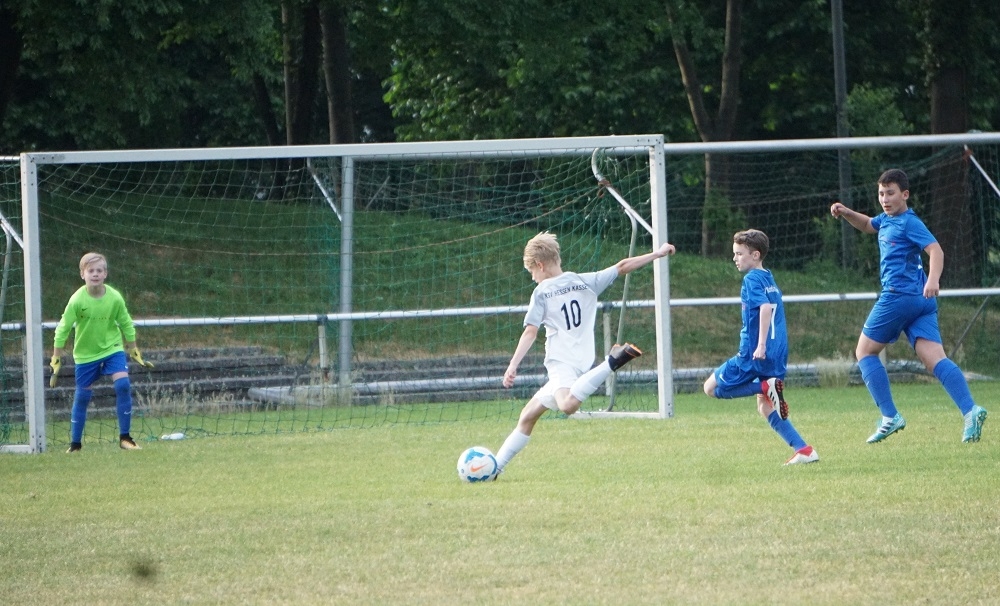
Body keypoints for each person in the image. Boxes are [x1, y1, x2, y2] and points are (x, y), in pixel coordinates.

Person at [494, 232, 675, 474]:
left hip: (561, 363)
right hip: (582, 361)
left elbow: (530, 332)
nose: (533, 278)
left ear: (540, 265)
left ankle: (612, 361)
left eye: (532, 272)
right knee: (527, 415)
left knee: (567, 405)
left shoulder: (542, 292)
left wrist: (513, 365)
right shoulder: (585, 281)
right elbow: (622, 267)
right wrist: (657, 253)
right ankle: (494, 469)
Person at [830, 168, 988, 443]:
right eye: (881, 193)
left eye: (890, 193)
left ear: (905, 194)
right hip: (921, 301)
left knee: (864, 351)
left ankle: (889, 416)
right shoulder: (886, 219)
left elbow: (935, 250)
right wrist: (846, 212)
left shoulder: (908, 222)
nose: (885, 199)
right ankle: (970, 410)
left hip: (899, 296)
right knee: (934, 359)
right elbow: (868, 225)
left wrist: (934, 279)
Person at [702, 229, 819, 465]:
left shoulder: (751, 279)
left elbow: (765, 308)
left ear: (755, 255)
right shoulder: (768, 277)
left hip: (754, 352)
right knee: (765, 406)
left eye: (739, 254)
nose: (735, 258)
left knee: (711, 388)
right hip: (778, 352)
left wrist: (760, 344)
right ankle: (804, 450)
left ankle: (765, 386)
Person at [52, 252, 153, 452]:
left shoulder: (114, 298)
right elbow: (63, 328)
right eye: (91, 270)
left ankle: (125, 438)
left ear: (105, 274)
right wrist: (56, 356)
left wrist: (133, 348)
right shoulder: (77, 300)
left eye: (99, 270)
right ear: (83, 274)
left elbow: (126, 323)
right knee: (82, 397)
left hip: (112, 349)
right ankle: (75, 445)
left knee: (123, 385)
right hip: (85, 355)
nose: (95, 274)